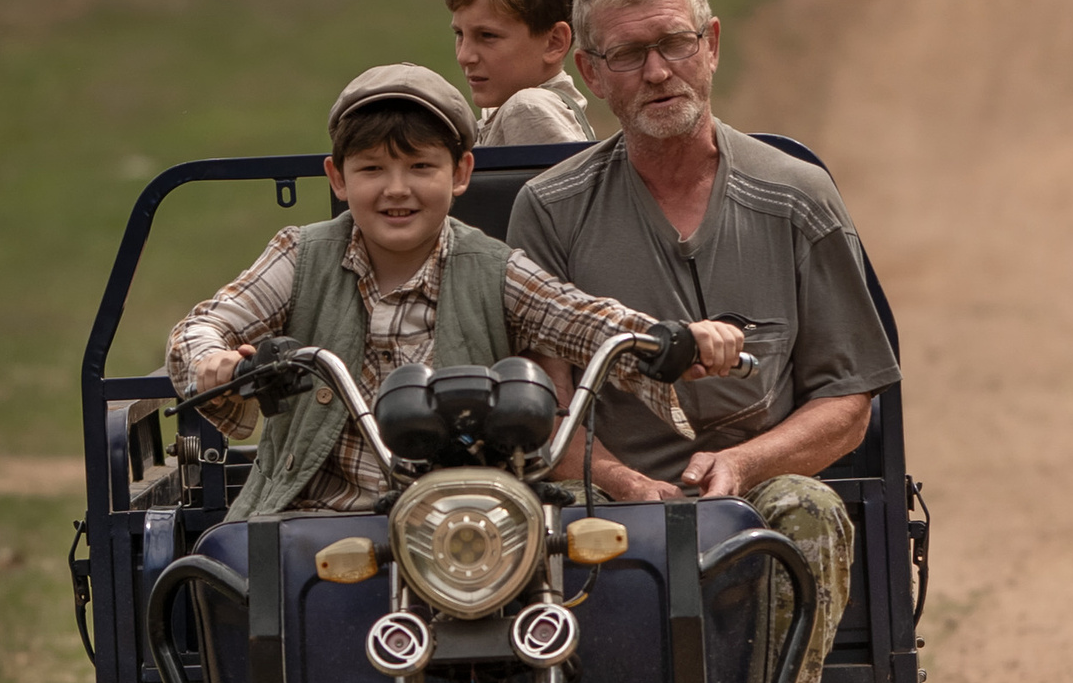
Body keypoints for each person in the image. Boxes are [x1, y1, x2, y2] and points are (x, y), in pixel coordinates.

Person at [503, 0, 899, 683]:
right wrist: (625, 484)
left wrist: (745, 462)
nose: (657, 72)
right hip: (599, 506)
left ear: (711, 44)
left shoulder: (798, 196)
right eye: (627, 56)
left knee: (809, 516)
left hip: (754, 492)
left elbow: (851, 398)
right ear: (590, 72)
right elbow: (545, 413)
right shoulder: (551, 210)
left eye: (674, 44)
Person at [167, 60, 740, 516]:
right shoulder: (303, 254)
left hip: (469, 525)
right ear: (338, 179)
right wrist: (214, 360)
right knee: (237, 580)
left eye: (420, 167)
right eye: (371, 170)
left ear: (461, 172)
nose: (397, 190)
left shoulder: (492, 267)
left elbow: (578, 318)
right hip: (317, 522)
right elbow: (203, 324)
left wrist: (672, 340)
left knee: (582, 569)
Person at [445, 0, 593, 147]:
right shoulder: (510, 110)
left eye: (487, 36)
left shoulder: (527, 110)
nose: (465, 56)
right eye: (459, 34)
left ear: (554, 42)